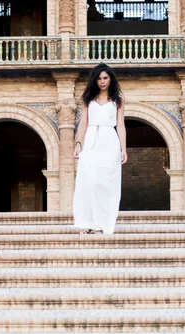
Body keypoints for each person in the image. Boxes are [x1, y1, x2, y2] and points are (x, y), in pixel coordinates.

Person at [73, 63, 127, 235]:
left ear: (110, 79)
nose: (102, 81)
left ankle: (100, 224)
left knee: (104, 183)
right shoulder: (88, 99)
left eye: (105, 78)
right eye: (99, 78)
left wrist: (123, 149)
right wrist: (78, 144)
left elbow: (120, 125)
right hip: (90, 140)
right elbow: (83, 123)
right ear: (94, 80)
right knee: (87, 181)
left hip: (109, 141)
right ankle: (86, 222)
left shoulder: (118, 100)